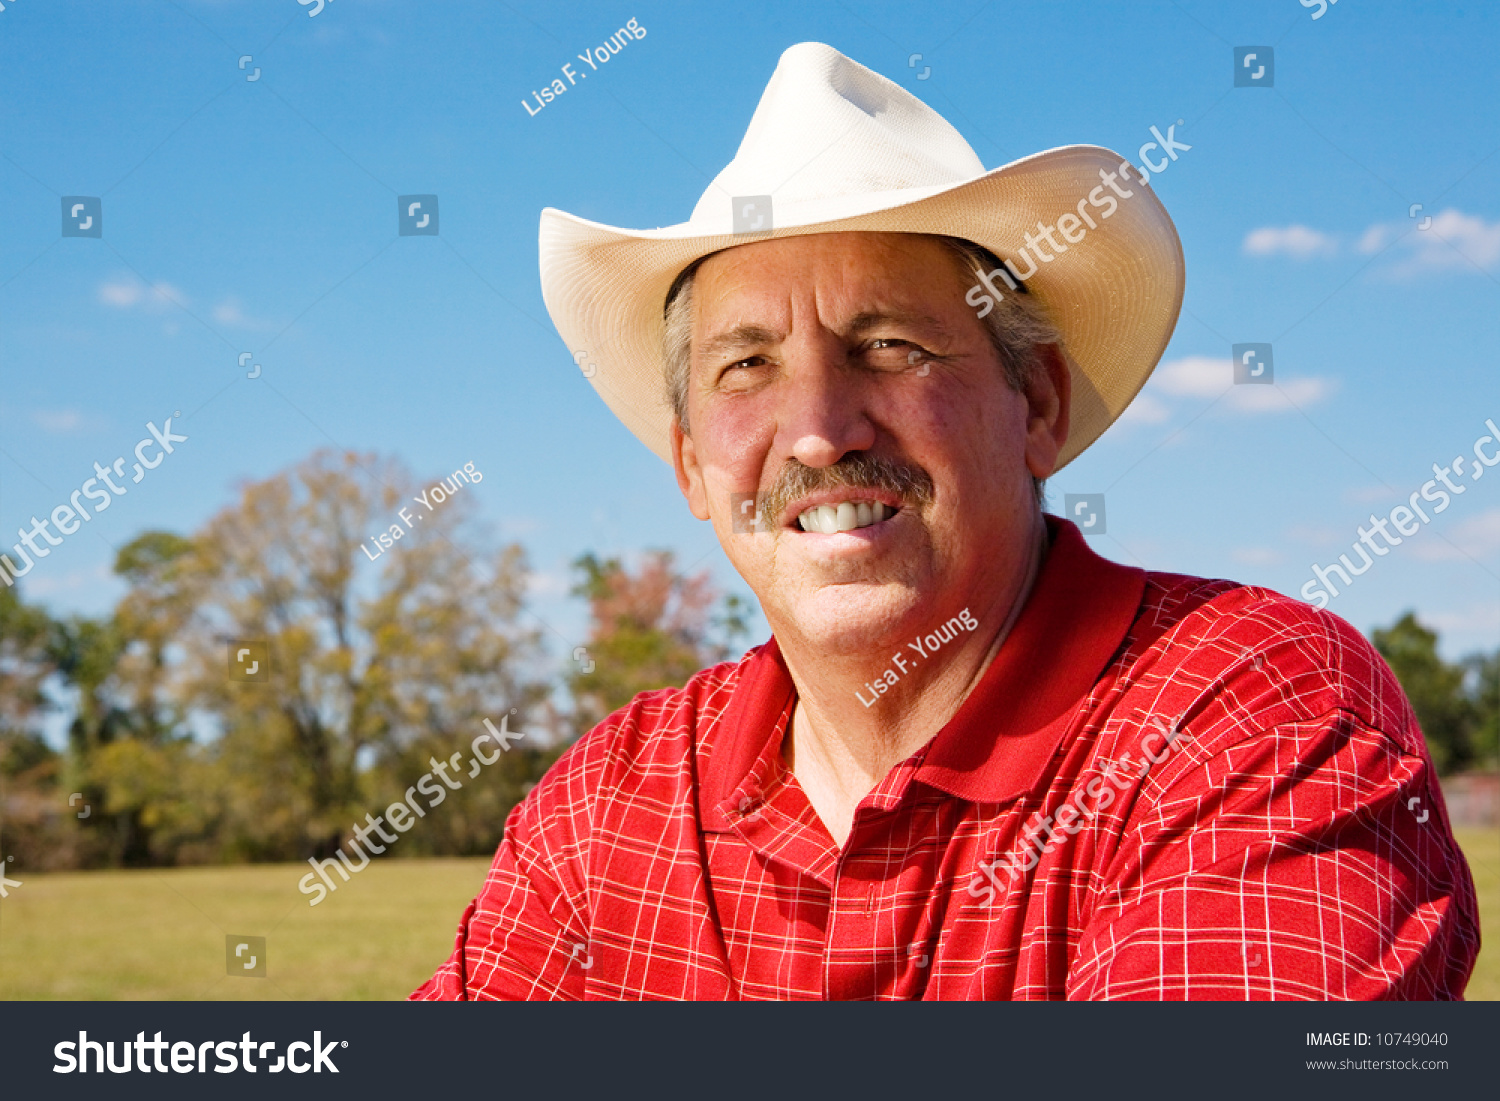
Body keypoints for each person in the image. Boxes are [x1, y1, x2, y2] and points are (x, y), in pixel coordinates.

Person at [414, 43, 1477, 1000]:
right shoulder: (610, 800)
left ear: (1039, 405)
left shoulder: (1245, 713)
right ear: (692, 461)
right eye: (748, 366)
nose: (821, 433)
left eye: (889, 346)